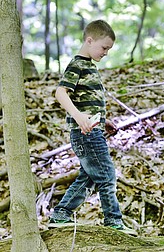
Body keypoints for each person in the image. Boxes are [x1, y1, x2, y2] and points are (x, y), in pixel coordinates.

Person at [49, 20, 137, 236]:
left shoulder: (89, 67)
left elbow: (86, 101)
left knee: (88, 177)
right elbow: (61, 93)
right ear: (89, 40)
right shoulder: (78, 64)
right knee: (106, 174)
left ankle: (60, 215)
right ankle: (113, 222)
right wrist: (79, 117)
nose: (106, 53)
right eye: (104, 47)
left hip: (92, 131)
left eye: (108, 49)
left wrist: (102, 120)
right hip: (85, 133)